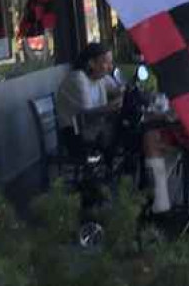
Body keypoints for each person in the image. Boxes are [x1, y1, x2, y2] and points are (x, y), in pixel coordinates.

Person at [56, 43, 174, 213]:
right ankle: (131, 188)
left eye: (111, 63)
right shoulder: (78, 79)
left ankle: (138, 187)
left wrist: (126, 92)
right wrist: (114, 105)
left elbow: (121, 89)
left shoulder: (100, 78)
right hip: (76, 136)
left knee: (135, 134)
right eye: (106, 62)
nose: (110, 67)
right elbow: (87, 115)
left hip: (96, 131)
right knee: (133, 135)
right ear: (91, 63)